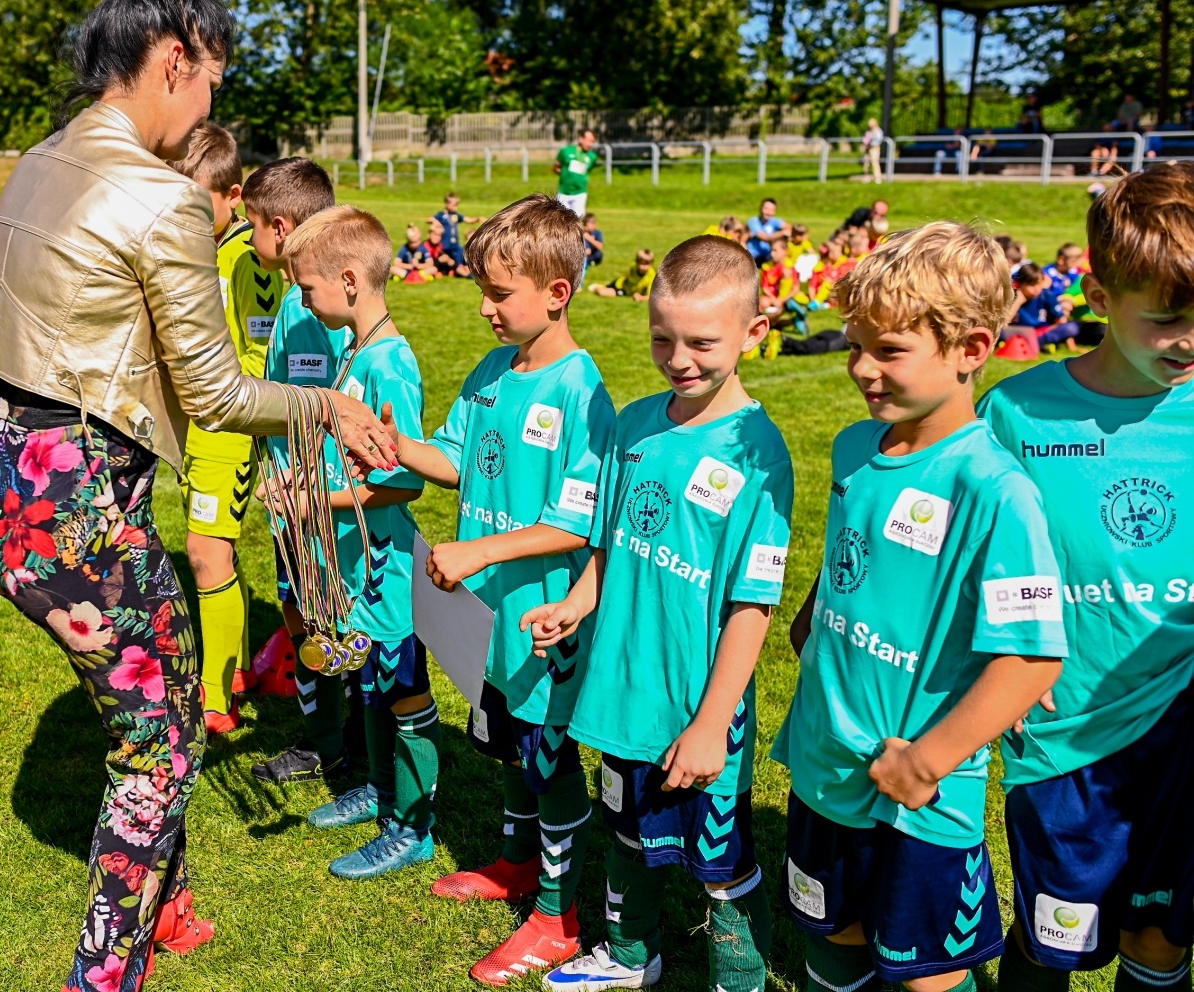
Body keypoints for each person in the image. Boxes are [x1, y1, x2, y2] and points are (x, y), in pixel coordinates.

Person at [0, 0, 394, 987]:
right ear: (173, 62)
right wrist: (326, 401)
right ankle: (103, 975)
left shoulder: (37, 160)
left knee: (159, 690)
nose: (206, 112)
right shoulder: (160, 197)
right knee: (159, 750)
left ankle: (173, 898)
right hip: (73, 508)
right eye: (208, 87)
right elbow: (215, 393)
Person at [772, 222, 1068, 992]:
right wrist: (814, 619)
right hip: (825, 760)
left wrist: (925, 760)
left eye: (889, 350)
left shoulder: (996, 491)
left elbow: (1032, 655)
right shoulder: (853, 446)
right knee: (832, 931)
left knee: (925, 972)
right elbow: (851, 551)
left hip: (917, 793)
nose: (862, 369)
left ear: (971, 348)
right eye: (854, 345)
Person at [526, 235, 792, 992]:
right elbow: (609, 543)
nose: (680, 357)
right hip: (621, 690)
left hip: (695, 707)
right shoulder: (636, 423)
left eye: (702, 342)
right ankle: (631, 954)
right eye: (662, 338)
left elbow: (752, 603)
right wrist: (577, 603)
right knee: (626, 829)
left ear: (754, 333)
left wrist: (713, 721)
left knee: (719, 862)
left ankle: (737, 981)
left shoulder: (759, 454)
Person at [380, 194, 616, 987]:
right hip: (485, 622)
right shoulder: (493, 370)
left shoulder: (583, 395)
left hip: (543, 619)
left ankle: (558, 915)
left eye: (498, 293)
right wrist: (400, 446)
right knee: (511, 746)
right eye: (481, 288)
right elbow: (454, 456)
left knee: (550, 763)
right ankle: (518, 864)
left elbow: (578, 524)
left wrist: (478, 550)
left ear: (558, 291)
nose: (484, 308)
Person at [980, 165, 1194, 992]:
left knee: (1160, 932)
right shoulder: (1019, 413)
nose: (1188, 338)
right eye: (1168, 318)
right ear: (1099, 293)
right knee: (1051, 934)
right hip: (1062, 726)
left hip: (1182, 721)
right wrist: (1007, 654)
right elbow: (981, 550)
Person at [281, 206, 440, 879]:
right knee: (373, 682)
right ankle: (379, 788)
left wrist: (314, 498)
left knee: (404, 687)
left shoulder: (389, 363)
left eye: (307, 288)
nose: (303, 301)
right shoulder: (354, 347)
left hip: (388, 567)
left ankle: (413, 827)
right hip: (353, 561)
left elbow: (404, 484)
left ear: (348, 280)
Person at [247, 159, 359, 786]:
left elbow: (323, 403)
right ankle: (325, 739)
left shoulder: (312, 306)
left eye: (253, 224)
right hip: (292, 494)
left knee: (335, 620)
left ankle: (348, 748)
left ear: (282, 226)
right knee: (300, 611)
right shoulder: (298, 298)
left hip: (322, 502)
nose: (247, 233)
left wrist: (306, 484)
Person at [168, 123, 275, 736]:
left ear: (234, 197)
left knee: (208, 553)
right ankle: (230, 668)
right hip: (195, 425)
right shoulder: (202, 249)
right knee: (204, 551)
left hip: (229, 426)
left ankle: (217, 695)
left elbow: (261, 357)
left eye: (195, 204)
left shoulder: (247, 262)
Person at [1007, 263, 1080, 352]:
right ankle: (1036, 344)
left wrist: (1072, 347)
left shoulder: (1046, 295)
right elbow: (1004, 323)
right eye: (1032, 285)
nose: (1037, 289)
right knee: (1001, 332)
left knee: (1071, 328)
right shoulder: (1012, 297)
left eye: (1039, 284)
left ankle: (1033, 343)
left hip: (1041, 332)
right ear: (1020, 284)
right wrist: (1018, 301)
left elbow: (1061, 320)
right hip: (1018, 332)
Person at [553, 128, 600, 217]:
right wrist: (565, 175)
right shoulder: (566, 151)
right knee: (561, 219)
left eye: (593, 142)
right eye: (589, 141)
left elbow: (586, 171)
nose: (591, 144)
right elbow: (556, 166)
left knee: (578, 219)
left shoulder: (592, 157)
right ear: (581, 139)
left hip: (580, 192)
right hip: (564, 192)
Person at [433, 191, 479, 277]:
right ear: (447, 203)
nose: (456, 207)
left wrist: (477, 219)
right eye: (454, 205)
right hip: (444, 247)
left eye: (457, 205)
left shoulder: (456, 216)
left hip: (454, 247)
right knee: (444, 260)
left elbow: (467, 219)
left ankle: (453, 271)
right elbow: (430, 220)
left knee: (457, 261)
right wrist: (436, 223)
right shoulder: (441, 215)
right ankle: (442, 271)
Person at [588, 248, 654, 301]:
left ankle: (601, 287)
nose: (644, 267)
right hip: (622, 286)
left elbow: (652, 295)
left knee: (603, 292)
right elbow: (625, 277)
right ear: (637, 262)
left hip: (627, 291)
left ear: (651, 264)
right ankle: (597, 287)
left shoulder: (652, 275)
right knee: (602, 292)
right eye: (642, 263)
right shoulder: (633, 267)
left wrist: (641, 297)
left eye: (647, 264)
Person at [745, 198, 784, 265]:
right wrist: (782, 233)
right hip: (754, 257)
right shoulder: (753, 222)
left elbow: (790, 228)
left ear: (774, 211)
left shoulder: (774, 221)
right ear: (761, 208)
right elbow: (765, 238)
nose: (768, 212)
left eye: (771, 210)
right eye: (766, 209)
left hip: (768, 255)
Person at [862, 118, 885, 183]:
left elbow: (879, 139)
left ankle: (878, 177)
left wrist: (871, 140)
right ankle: (867, 177)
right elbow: (865, 138)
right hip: (868, 148)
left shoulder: (878, 131)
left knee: (875, 162)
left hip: (874, 148)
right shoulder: (868, 131)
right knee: (866, 163)